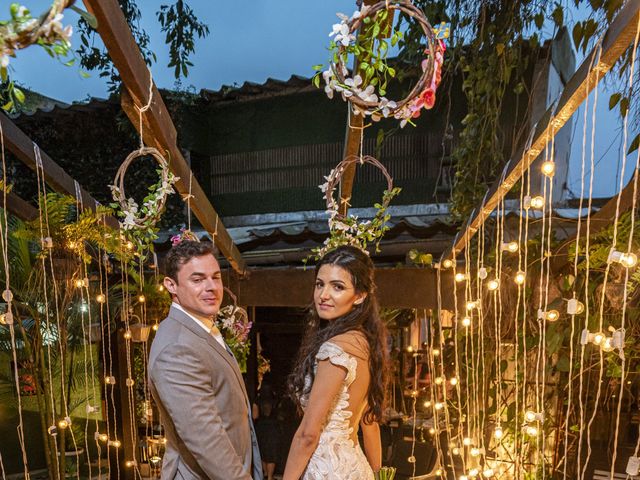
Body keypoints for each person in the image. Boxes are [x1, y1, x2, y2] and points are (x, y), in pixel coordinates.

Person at [148, 240, 262, 480]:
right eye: (198, 280)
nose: (211, 287)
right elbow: (206, 439)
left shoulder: (200, 328)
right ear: (171, 285)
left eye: (216, 277)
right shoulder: (177, 347)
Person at [283, 245, 389, 480]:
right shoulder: (365, 343)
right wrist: (379, 475)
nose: (323, 295)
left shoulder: (335, 350)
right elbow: (369, 424)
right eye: (320, 284)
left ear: (360, 296)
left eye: (337, 287)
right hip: (356, 469)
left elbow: (308, 434)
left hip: (327, 470)